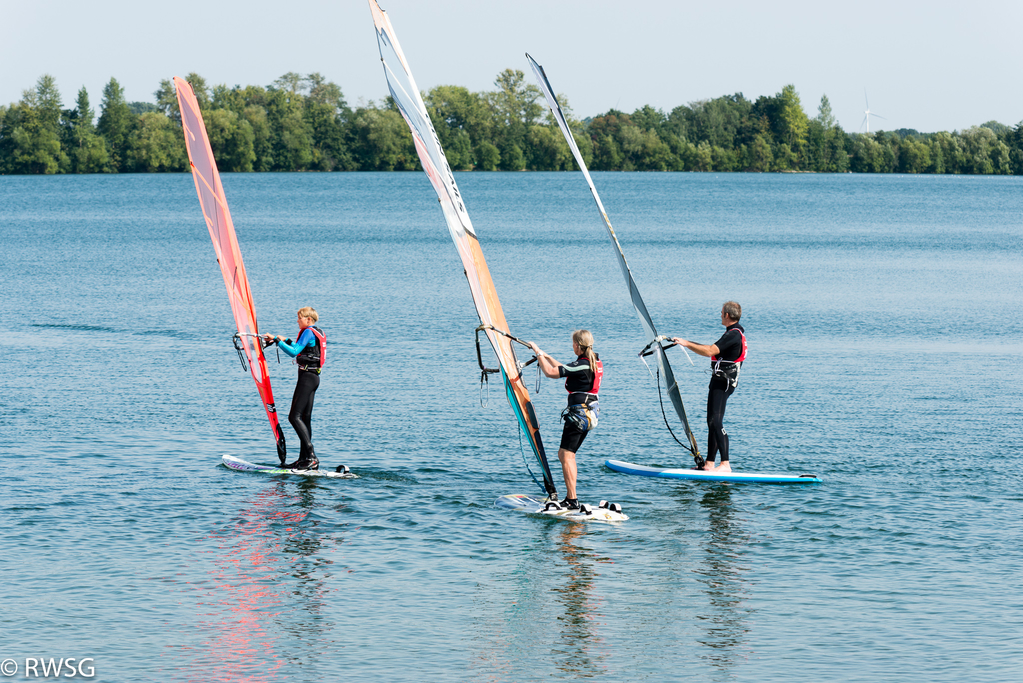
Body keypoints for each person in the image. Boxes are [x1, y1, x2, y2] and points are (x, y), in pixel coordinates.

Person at [528, 330, 603, 509]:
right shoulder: (593, 361)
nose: (572, 346)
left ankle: (572, 500)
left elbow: (551, 373)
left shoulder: (584, 364)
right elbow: (568, 369)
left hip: (579, 414)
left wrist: (538, 352)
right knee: (566, 455)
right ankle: (572, 497)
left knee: (566, 455)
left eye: (573, 344)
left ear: (578, 345)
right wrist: (546, 356)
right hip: (589, 413)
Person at [672, 301, 746, 473]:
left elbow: (710, 351)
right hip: (719, 381)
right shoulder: (732, 333)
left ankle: (725, 464)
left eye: (721, 313)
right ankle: (710, 463)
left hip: (723, 382)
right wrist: (685, 342)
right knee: (711, 422)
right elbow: (709, 348)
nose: (720, 315)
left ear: (727, 315)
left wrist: (686, 344)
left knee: (716, 421)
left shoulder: (733, 335)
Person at [264, 307, 326, 470]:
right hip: (314, 377)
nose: (297, 321)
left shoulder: (307, 331)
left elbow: (294, 352)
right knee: (305, 419)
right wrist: (282, 338)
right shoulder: (316, 331)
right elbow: (301, 346)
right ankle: (303, 459)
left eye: (299, 318)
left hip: (307, 378)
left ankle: (311, 456)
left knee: (294, 417)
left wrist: (277, 341)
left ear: (308, 319)